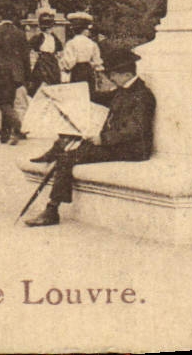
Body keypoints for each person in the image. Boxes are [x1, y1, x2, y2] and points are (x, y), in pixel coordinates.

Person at [26, 46, 156, 227]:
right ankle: (57, 151)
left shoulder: (142, 95)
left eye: (113, 75)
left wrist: (104, 139)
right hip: (117, 145)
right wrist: (65, 94)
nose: (110, 78)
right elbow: (98, 97)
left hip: (132, 150)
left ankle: (52, 210)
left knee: (68, 158)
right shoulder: (125, 89)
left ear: (126, 74)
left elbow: (135, 129)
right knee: (70, 146)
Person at [0, 15, 30, 145]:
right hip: (16, 73)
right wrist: (27, 75)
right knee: (9, 100)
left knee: (2, 102)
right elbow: (26, 56)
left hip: (0, 72)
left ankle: (15, 122)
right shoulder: (20, 33)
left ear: (1, 18)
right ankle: (5, 133)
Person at [59, 13, 102, 86]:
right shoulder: (92, 43)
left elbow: (69, 62)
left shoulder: (71, 43)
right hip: (89, 71)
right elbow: (96, 60)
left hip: (77, 71)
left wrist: (65, 68)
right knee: (89, 93)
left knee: (78, 93)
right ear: (85, 30)